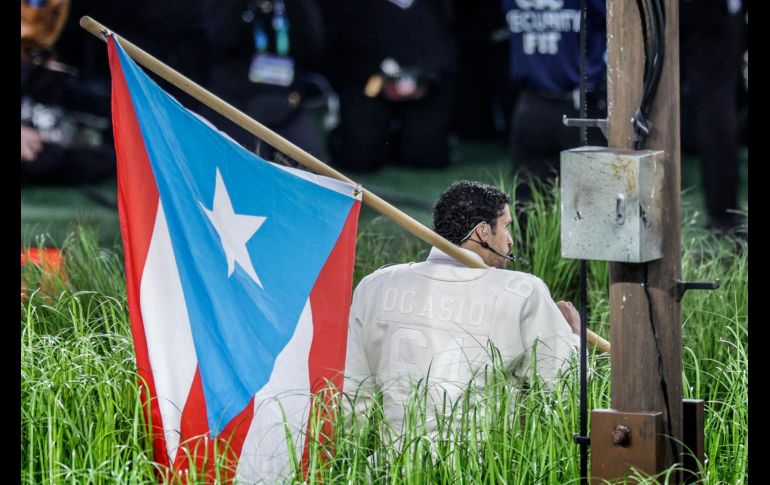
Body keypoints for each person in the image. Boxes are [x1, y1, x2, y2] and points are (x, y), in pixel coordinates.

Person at [344, 180, 580, 433]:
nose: (510, 240)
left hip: (387, 466)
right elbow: (564, 391)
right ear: (483, 232)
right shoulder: (523, 290)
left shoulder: (375, 285)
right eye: (505, 227)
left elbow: (352, 396)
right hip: (481, 468)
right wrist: (573, 337)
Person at [502, 0, 607, 206]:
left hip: (581, 103)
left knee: (594, 199)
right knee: (526, 201)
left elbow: (617, 22)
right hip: (533, 101)